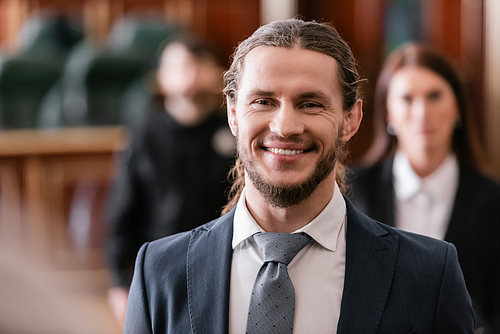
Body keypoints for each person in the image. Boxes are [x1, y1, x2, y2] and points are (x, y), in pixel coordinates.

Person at [123, 19, 475, 333]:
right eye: (263, 101)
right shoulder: (159, 272)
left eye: (311, 104)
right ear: (233, 114)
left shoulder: (429, 276)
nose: (285, 127)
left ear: (351, 120)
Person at [348, 43, 500, 333]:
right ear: (387, 112)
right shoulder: (350, 191)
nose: (421, 112)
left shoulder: (493, 202)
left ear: (457, 106)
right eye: (406, 98)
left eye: (434, 96)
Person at [105, 35, 235, 325]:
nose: (191, 74)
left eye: (200, 64)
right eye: (180, 66)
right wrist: (118, 283)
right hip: (159, 271)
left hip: (225, 269)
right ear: (161, 77)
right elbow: (120, 215)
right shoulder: (142, 137)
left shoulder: (236, 133)